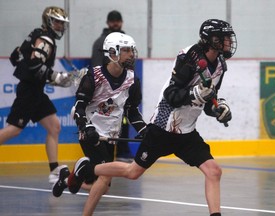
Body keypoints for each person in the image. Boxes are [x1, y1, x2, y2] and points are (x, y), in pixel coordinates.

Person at [68, 19, 237, 216]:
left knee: (214, 171)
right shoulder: (189, 57)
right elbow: (171, 95)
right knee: (133, 173)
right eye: (224, 38)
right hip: (163, 127)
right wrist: (195, 94)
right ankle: (87, 169)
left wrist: (218, 108)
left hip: (187, 131)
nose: (228, 43)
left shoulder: (220, 66)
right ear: (212, 40)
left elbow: (208, 98)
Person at [52, 32, 147, 203]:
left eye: (132, 50)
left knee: (103, 186)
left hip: (111, 136)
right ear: (112, 53)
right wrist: (85, 127)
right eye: (126, 50)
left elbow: (132, 111)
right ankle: (81, 171)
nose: (131, 54)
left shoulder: (132, 80)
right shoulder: (93, 76)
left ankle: (69, 178)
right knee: (104, 175)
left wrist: (144, 130)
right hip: (91, 134)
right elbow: (79, 106)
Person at [0, 6, 71, 186]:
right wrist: (56, 76)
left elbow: (16, 57)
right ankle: (54, 170)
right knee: (14, 130)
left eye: (62, 23)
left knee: (54, 127)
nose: (60, 26)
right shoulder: (45, 40)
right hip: (29, 91)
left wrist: (55, 80)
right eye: (57, 22)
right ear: (48, 21)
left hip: (35, 91)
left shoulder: (36, 34)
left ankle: (54, 170)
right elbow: (33, 65)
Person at [91, 10, 134, 162]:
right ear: (108, 23)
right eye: (112, 21)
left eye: (118, 20)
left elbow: (129, 66)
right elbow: (98, 68)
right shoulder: (101, 42)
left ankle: (122, 151)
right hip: (106, 91)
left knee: (122, 118)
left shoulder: (126, 41)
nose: (115, 23)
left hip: (122, 87)